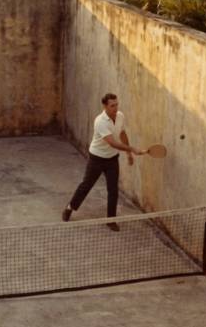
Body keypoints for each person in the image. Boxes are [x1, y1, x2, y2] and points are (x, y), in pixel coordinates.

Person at [62, 93, 145, 231]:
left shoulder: (120, 116)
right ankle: (70, 207)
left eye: (117, 104)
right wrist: (132, 148)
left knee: (113, 190)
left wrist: (129, 153)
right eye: (112, 105)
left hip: (112, 159)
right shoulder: (100, 121)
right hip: (97, 158)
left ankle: (110, 220)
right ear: (105, 106)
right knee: (86, 185)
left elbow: (122, 134)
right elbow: (112, 142)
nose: (115, 108)